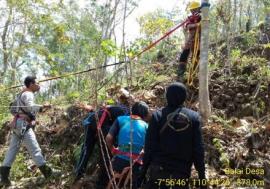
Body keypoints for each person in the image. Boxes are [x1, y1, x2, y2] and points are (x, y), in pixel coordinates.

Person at [142, 82, 205, 189]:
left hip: (158, 174)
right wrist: (202, 178)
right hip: (181, 176)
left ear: (167, 96)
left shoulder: (158, 115)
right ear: (184, 97)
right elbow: (198, 150)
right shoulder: (194, 118)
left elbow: (149, 148)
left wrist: (142, 173)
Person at [73, 88, 134, 189]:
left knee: (88, 150)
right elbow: (121, 129)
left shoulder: (120, 107)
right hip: (97, 121)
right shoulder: (126, 112)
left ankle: (81, 175)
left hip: (95, 120)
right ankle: (87, 176)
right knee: (101, 151)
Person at [0, 76, 55, 186]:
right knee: (35, 149)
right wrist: (42, 107)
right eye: (37, 83)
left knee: (12, 150)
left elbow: (15, 109)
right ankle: (49, 174)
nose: (39, 85)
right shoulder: (28, 94)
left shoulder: (21, 94)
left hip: (17, 124)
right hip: (23, 125)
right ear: (31, 84)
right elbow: (30, 107)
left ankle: (4, 177)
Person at [106, 101, 149, 189]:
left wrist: (113, 150)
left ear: (132, 110)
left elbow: (109, 138)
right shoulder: (146, 126)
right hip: (136, 164)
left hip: (119, 160)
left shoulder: (120, 119)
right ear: (144, 114)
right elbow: (148, 147)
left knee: (114, 184)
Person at [178, 1, 201, 78]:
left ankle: (193, 74)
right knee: (184, 55)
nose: (192, 11)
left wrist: (200, 24)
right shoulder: (190, 18)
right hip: (191, 39)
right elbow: (188, 26)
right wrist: (196, 24)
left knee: (196, 56)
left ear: (198, 9)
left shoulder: (202, 16)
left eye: (194, 9)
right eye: (192, 10)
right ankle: (180, 74)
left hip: (200, 40)